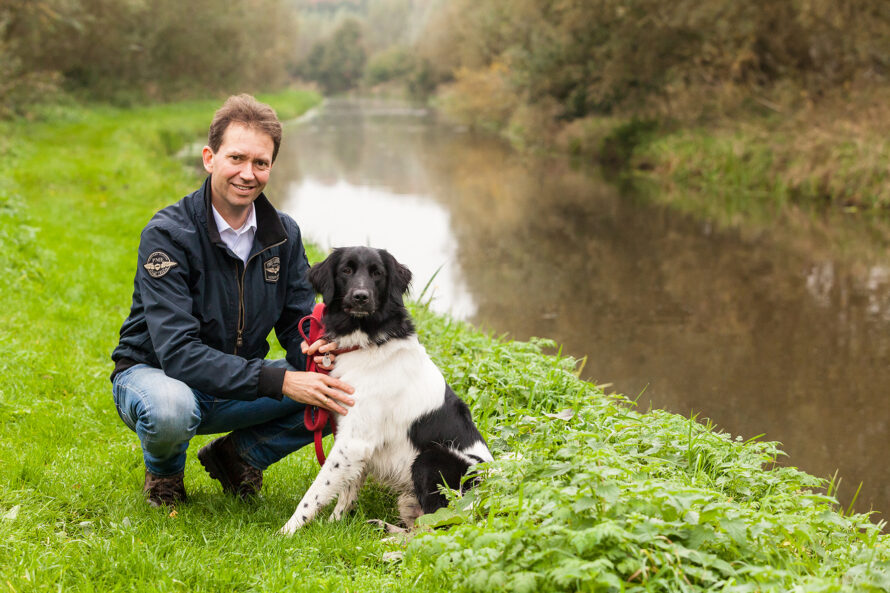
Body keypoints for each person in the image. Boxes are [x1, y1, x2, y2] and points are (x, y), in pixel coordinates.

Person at [110, 94, 354, 507]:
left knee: (342, 389)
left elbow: (298, 323)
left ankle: (238, 458)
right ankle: (165, 475)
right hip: (158, 377)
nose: (248, 174)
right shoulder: (168, 234)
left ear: (271, 166)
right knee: (171, 408)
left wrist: (316, 353)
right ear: (209, 158)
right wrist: (281, 380)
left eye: (260, 163)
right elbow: (180, 355)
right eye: (236, 158)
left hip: (235, 383)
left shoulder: (285, 235)